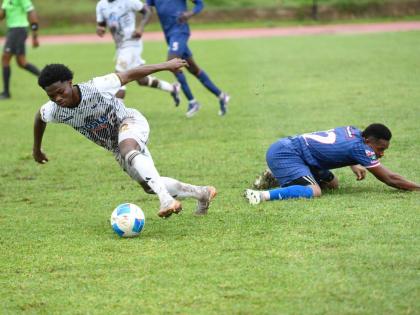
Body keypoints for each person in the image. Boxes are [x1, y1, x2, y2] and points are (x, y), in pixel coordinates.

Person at [33, 58, 217, 218]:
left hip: (130, 121)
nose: (57, 98)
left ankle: (166, 200)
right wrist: (36, 149)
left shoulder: (96, 86)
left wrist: (166, 65)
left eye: (60, 91)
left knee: (128, 148)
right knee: (148, 185)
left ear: (70, 82)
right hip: (115, 146)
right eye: (51, 95)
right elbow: (39, 119)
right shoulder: (54, 110)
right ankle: (201, 193)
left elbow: (130, 74)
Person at [245, 124, 420, 205]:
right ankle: (261, 196)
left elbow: (343, 145)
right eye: (380, 148)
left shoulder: (354, 130)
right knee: (315, 191)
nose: (381, 153)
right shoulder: (361, 149)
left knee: (333, 184)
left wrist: (355, 163)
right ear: (367, 141)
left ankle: (274, 175)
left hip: (298, 152)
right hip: (287, 154)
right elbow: (390, 179)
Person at [146, 0, 230, 118]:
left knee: (171, 64)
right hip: (169, 35)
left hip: (180, 31)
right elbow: (147, 9)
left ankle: (192, 102)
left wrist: (189, 14)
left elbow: (200, 4)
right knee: (194, 70)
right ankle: (222, 96)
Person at [96, 0, 180, 104]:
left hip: (132, 43)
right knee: (142, 80)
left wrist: (141, 27)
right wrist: (100, 29)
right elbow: (101, 24)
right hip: (120, 46)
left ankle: (116, 115)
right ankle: (172, 88)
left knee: (118, 78)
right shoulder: (101, 5)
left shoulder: (128, 1)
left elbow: (148, 11)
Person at [0, 0, 40, 100]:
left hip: (18, 29)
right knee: (22, 62)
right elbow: (2, 14)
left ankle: (6, 93)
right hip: (12, 30)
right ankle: (47, 78)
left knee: (5, 58)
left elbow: (32, 12)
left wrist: (35, 36)